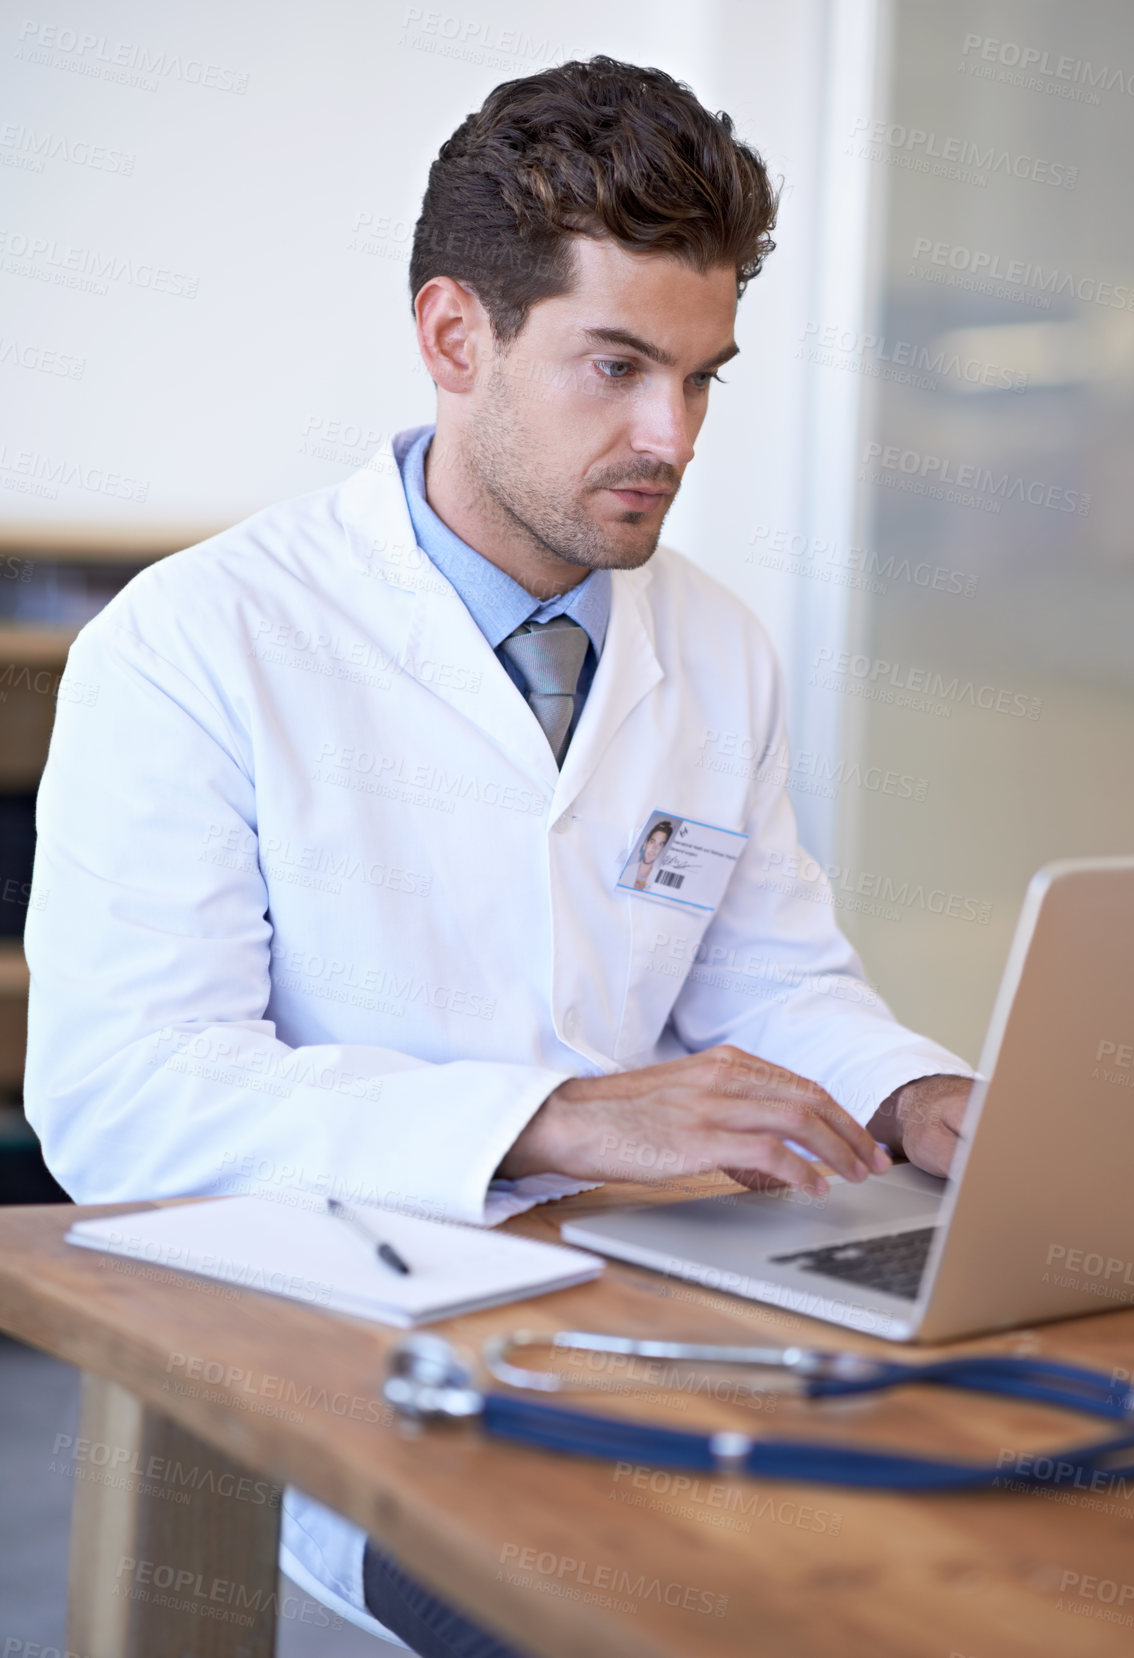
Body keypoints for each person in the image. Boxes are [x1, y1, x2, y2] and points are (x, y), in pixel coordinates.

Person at [23, 54, 977, 1654]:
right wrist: (556, 1117)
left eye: (702, 378)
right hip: (366, 1360)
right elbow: (125, 1094)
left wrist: (909, 1092)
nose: (669, 436)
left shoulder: (714, 644)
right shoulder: (195, 642)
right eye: (614, 367)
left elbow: (772, 973)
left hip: (665, 1308)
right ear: (455, 336)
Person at [631, 819, 674, 889]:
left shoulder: (659, 878)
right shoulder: (627, 871)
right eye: (652, 842)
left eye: (660, 844)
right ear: (645, 845)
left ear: (662, 850)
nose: (655, 848)